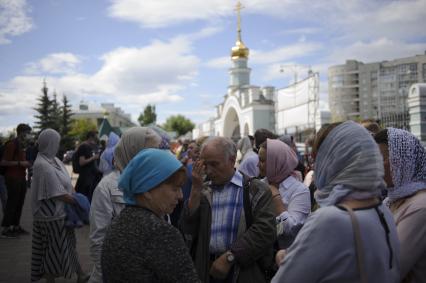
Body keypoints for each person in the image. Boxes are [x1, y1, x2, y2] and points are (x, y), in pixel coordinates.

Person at [272, 121, 400, 283]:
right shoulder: (383, 209)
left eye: (318, 158)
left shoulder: (331, 219)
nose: (315, 167)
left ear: (335, 160)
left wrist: (283, 259)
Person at [181, 137, 276, 283]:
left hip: (243, 272)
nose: (209, 170)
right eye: (205, 164)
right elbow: (188, 230)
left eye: (214, 164)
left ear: (232, 160)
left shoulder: (255, 189)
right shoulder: (204, 191)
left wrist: (231, 256)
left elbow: (265, 230)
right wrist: (195, 189)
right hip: (208, 272)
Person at [101, 149, 200, 283]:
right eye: (174, 189)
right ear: (147, 189)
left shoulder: (117, 224)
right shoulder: (161, 232)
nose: (181, 196)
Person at [89, 127, 161, 283]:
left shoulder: (155, 181)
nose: (157, 156)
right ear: (134, 151)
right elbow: (98, 240)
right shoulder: (106, 187)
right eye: (152, 150)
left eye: (158, 150)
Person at [30, 129, 88, 282]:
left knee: (68, 246)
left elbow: (66, 184)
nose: (58, 145)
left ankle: (80, 274)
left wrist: (75, 195)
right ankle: (52, 279)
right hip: (50, 217)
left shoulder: (53, 160)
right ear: (49, 143)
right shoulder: (42, 164)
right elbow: (57, 193)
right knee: (53, 252)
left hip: (60, 213)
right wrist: (78, 202)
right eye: (56, 142)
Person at [375, 128, 426, 283]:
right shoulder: (390, 200)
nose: (374, 165)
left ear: (402, 161)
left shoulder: (421, 207)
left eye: (380, 157)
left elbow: (390, 267)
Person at [258, 139, 310, 249]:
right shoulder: (260, 185)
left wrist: (276, 199)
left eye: (262, 161)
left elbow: (290, 230)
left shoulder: (299, 191)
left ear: (276, 162)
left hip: (286, 257)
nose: (258, 165)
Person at [0, 123, 32, 238]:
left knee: (19, 203)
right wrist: (20, 163)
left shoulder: (21, 145)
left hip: (21, 177)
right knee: (12, 203)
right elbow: (3, 162)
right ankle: (6, 229)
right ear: (22, 133)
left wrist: (25, 164)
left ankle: (15, 226)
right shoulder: (12, 144)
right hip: (12, 177)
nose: (29, 135)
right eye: (28, 133)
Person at [74, 130, 102, 202]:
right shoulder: (84, 146)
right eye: (96, 136)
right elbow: (81, 162)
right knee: (83, 200)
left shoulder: (93, 146)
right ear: (91, 137)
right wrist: (93, 158)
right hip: (85, 179)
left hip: (92, 178)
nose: (98, 138)